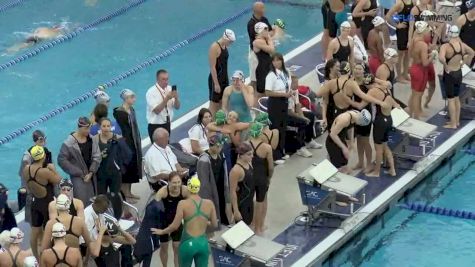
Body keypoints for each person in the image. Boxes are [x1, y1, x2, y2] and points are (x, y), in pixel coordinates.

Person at [151, 176, 218, 267]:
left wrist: (162, 231)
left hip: (188, 244)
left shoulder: (182, 204)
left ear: (188, 188)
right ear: (199, 188)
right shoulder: (209, 203)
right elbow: (214, 224)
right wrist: (204, 221)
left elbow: (175, 226)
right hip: (203, 244)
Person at [22, 146, 61, 258]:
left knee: (34, 231)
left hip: (35, 203)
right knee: (50, 230)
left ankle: (37, 257)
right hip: (47, 205)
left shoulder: (26, 169)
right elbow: (58, 180)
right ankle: (50, 256)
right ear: (43, 156)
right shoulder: (45, 172)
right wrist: (53, 169)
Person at [58, 117, 101, 206]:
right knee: (81, 202)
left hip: (92, 175)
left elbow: (97, 156)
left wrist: (91, 172)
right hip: (78, 177)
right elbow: (61, 160)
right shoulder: (69, 143)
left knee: (94, 201)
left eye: (89, 128)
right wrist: (78, 172)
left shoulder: (92, 139)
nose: (88, 131)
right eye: (86, 129)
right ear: (79, 128)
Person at [439, 25, 474, 129]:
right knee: (456, 97)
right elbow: (472, 53)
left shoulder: (446, 46)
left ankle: (453, 124)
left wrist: (445, 66)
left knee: (450, 99)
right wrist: (464, 63)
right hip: (458, 73)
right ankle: (457, 121)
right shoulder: (462, 45)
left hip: (450, 74)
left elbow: (441, 58)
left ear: (449, 33)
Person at [113, 89, 143, 202]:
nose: (134, 99)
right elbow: (122, 131)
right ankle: (124, 194)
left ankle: (129, 193)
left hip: (134, 143)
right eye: (132, 97)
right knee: (127, 170)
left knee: (133, 169)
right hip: (126, 145)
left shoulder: (131, 110)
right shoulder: (120, 113)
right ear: (126, 98)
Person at [154, 172, 190, 267]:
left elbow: (193, 205)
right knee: (164, 247)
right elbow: (154, 209)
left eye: (179, 182)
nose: (177, 185)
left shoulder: (185, 190)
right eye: (174, 182)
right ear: (169, 182)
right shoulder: (163, 191)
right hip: (164, 220)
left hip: (177, 221)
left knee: (177, 247)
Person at [366, 79, 400, 178]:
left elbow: (364, 98)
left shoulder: (373, 91)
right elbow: (395, 104)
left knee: (378, 149)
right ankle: (392, 170)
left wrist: (378, 102)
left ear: (369, 84)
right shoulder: (387, 90)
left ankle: (376, 172)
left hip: (379, 122)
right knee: (385, 146)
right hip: (389, 120)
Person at [196, 133, 232, 225]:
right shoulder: (204, 160)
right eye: (219, 147)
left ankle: (221, 221)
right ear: (213, 146)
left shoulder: (221, 155)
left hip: (219, 186)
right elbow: (203, 183)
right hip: (209, 189)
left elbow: (224, 174)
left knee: (220, 205)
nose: (221, 149)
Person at [93, 118, 132, 200]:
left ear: (111, 127)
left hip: (115, 173)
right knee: (101, 197)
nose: (106, 128)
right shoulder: (95, 139)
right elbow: (92, 155)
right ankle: (103, 212)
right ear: (100, 127)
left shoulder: (118, 138)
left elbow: (128, 154)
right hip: (101, 174)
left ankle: (118, 211)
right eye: (104, 126)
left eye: (108, 126)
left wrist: (121, 166)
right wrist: (99, 156)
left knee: (115, 196)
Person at [18, 130, 52, 224]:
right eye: (41, 140)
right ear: (35, 141)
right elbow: (23, 175)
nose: (44, 143)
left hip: (43, 188)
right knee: (33, 217)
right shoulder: (27, 157)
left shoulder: (46, 152)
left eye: (44, 140)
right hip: (32, 189)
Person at [287, 75, 323, 157]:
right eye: (295, 83)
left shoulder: (295, 91)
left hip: (294, 111)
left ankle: (309, 140)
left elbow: (298, 105)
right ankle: (300, 148)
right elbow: (289, 112)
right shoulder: (287, 93)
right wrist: (301, 118)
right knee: (302, 122)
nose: (297, 84)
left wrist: (302, 116)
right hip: (286, 115)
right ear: (290, 83)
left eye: (297, 82)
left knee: (311, 115)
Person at [265, 52, 292, 163]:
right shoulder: (271, 75)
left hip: (284, 102)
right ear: (272, 62)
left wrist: (288, 93)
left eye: (279, 60)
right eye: (274, 60)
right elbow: (267, 92)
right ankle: (275, 155)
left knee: (282, 127)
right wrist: (283, 94)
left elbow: (287, 85)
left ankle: (281, 151)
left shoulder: (285, 72)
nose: (277, 62)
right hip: (275, 103)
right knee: (275, 128)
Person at [248, 123, 273, 235]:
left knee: (248, 201)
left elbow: (239, 163)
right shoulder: (267, 148)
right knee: (260, 201)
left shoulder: (245, 145)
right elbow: (271, 167)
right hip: (262, 178)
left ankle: (251, 224)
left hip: (249, 177)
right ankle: (259, 228)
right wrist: (269, 177)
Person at [408, 21, 436, 119]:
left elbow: (412, 55)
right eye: (428, 31)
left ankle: (410, 114)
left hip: (414, 67)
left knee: (414, 94)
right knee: (418, 95)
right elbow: (425, 63)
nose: (429, 33)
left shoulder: (413, 40)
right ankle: (416, 117)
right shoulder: (423, 45)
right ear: (424, 32)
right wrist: (432, 56)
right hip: (420, 70)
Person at [146, 69, 181, 139]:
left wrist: (176, 98)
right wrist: (167, 98)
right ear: (157, 79)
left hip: (167, 124)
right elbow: (157, 111)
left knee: (166, 146)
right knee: (158, 149)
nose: (166, 82)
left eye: (167, 79)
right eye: (163, 79)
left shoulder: (169, 88)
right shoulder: (151, 92)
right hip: (156, 126)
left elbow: (177, 107)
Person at [351, 66, 374, 173]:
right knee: (359, 140)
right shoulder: (351, 82)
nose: (357, 70)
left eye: (360, 69)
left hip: (365, 114)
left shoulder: (367, 84)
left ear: (364, 71)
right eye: (356, 68)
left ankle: (369, 164)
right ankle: (360, 162)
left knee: (365, 140)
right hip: (355, 114)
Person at [208, 29, 235, 115]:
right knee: (214, 104)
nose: (231, 44)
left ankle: (218, 123)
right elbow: (212, 67)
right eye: (230, 42)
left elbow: (224, 64)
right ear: (225, 38)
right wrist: (216, 84)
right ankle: (208, 125)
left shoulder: (225, 46)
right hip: (215, 79)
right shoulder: (214, 47)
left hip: (224, 78)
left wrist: (227, 77)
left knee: (222, 102)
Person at [247, 1, 274, 88]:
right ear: (257, 10)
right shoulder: (251, 24)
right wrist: (268, 37)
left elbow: (272, 31)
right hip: (256, 53)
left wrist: (267, 35)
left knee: (266, 76)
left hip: (265, 52)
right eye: (263, 8)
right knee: (254, 78)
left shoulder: (264, 19)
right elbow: (258, 39)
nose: (264, 9)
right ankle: (254, 95)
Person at [386, 0, 413, 83]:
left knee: (408, 54)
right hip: (402, 31)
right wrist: (397, 25)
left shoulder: (412, 2)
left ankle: (405, 74)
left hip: (410, 30)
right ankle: (399, 76)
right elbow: (388, 16)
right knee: (400, 55)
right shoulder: (400, 3)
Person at [229, 143, 255, 225]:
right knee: (242, 231)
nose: (252, 156)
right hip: (241, 205)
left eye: (252, 154)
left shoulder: (249, 163)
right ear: (241, 155)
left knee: (249, 226)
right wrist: (236, 211)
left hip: (249, 202)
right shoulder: (236, 170)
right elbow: (232, 191)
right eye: (249, 154)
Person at [253, 22, 275, 102]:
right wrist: (269, 39)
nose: (267, 31)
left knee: (267, 92)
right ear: (261, 31)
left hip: (267, 68)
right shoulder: (258, 41)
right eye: (266, 29)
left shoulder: (263, 40)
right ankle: (257, 111)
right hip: (263, 70)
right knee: (261, 94)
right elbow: (272, 50)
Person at [457, 1, 475, 70]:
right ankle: (466, 69)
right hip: (464, 44)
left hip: (473, 42)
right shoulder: (461, 19)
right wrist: (463, 46)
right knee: (469, 55)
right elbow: (455, 36)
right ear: (471, 9)